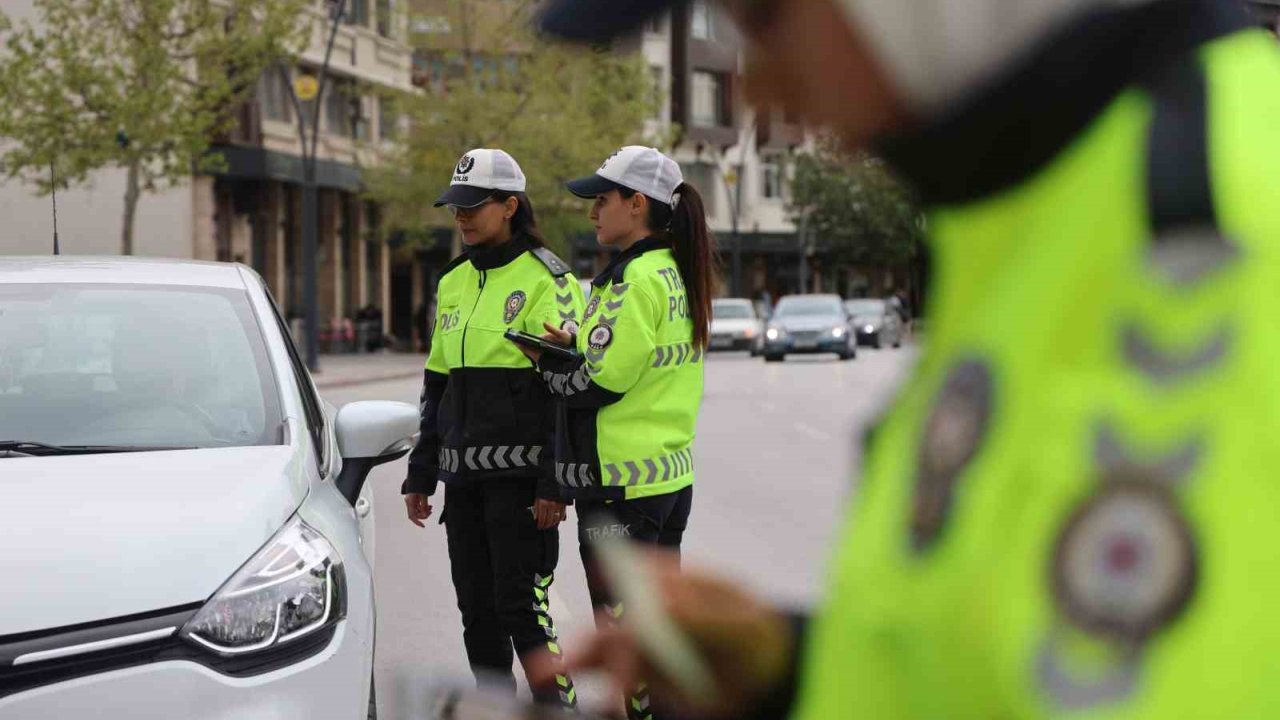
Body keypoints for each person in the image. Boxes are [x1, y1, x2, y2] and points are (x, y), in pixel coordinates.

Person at [536, 0, 1280, 718]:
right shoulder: (1039, 196)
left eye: (766, 19)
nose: (760, 93)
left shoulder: (1207, 239)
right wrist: (789, 669)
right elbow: (1021, 659)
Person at [520, 146, 720, 720]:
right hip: (666, 479)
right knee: (659, 638)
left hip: (619, 489)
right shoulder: (676, 269)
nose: (592, 214)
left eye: (601, 201)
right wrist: (577, 345)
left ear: (638, 204)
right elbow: (633, 363)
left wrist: (545, 361)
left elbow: (600, 382)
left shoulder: (633, 279)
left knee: (628, 644)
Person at [401, 148, 585, 711]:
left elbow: (566, 395)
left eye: (473, 206)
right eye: (455, 206)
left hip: (522, 488)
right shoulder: (454, 280)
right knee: (478, 618)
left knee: (522, 614)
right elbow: (438, 388)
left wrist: (555, 484)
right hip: (464, 484)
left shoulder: (548, 279)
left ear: (510, 205)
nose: (460, 216)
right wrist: (421, 472)